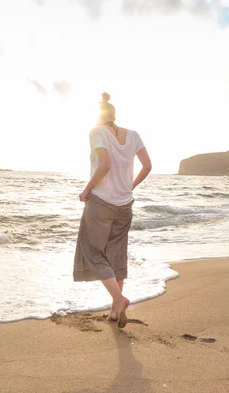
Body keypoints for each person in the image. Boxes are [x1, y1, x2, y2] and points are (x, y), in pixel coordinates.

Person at [73, 92, 152, 328]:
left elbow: (105, 165)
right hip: (125, 205)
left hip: (101, 203)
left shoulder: (97, 132)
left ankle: (119, 299)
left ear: (99, 116)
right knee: (116, 255)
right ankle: (115, 312)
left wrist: (86, 190)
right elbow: (148, 166)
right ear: (114, 115)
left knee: (92, 251)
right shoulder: (134, 135)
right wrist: (130, 186)